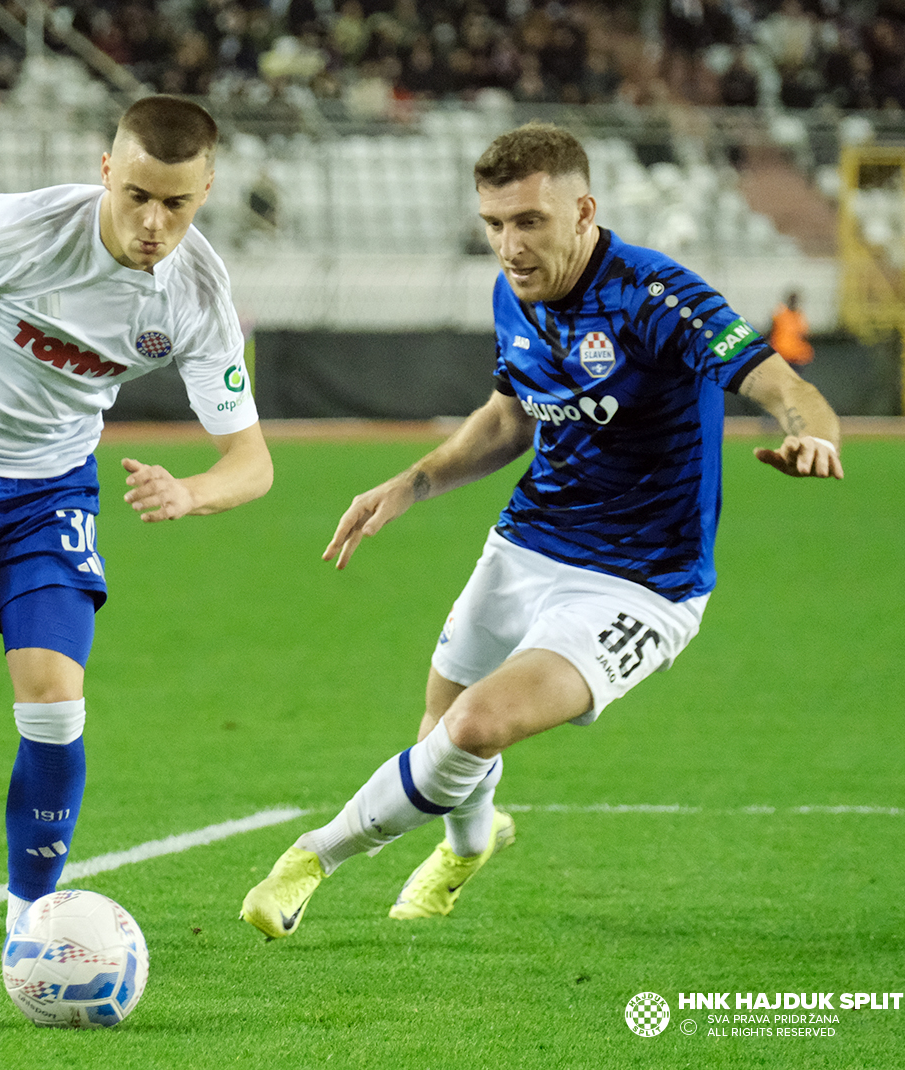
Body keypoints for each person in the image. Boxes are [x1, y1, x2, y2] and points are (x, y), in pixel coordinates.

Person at [241, 122, 844, 940]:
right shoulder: (512, 292)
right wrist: (413, 483)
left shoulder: (657, 297)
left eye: (529, 221)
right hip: (528, 543)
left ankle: (311, 858)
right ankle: (470, 844)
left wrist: (815, 433)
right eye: (493, 224)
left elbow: (783, 384)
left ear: (584, 211)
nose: (509, 246)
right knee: (442, 733)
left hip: (641, 580)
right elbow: (510, 417)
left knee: (476, 727)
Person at [0, 95, 273, 929]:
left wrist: (191, 492)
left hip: (50, 488)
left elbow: (252, 462)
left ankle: (31, 921)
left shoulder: (199, 293)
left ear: (205, 189)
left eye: (175, 203)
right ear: (107, 169)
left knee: (56, 704)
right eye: (136, 194)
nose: (152, 221)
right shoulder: (17, 230)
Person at [769, 290, 813, 367]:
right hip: (786, 353)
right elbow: (806, 334)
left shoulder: (781, 313)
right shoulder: (783, 314)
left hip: (789, 354)